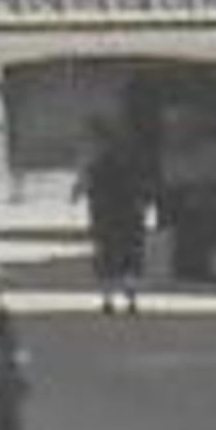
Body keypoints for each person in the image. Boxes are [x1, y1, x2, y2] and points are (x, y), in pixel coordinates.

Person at [75, 115, 149, 315]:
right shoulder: (133, 156)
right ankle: (132, 299)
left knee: (107, 255)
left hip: (104, 212)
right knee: (130, 255)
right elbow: (142, 185)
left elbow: (84, 183)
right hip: (130, 212)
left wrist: (77, 193)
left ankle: (108, 300)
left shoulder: (96, 159)